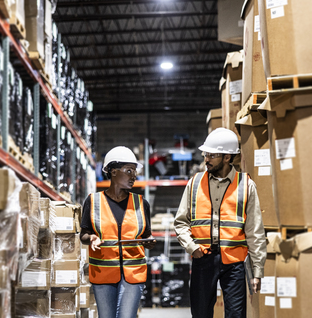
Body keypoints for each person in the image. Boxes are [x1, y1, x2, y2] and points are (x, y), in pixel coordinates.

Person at [173, 128, 267, 318]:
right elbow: (181, 222)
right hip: (202, 259)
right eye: (205, 154)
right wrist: (192, 247)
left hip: (234, 263)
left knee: (236, 314)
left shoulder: (246, 186)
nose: (206, 159)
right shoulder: (194, 183)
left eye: (212, 155)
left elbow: (255, 232)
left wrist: (257, 270)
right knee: (200, 314)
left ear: (227, 157)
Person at [80, 146, 156, 318]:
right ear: (113, 171)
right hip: (103, 274)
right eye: (128, 171)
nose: (133, 176)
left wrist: (149, 241)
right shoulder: (93, 201)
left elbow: (146, 235)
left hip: (133, 273)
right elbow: (83, 234)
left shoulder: (142, 203)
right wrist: (91, 238)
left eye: (134, 171)